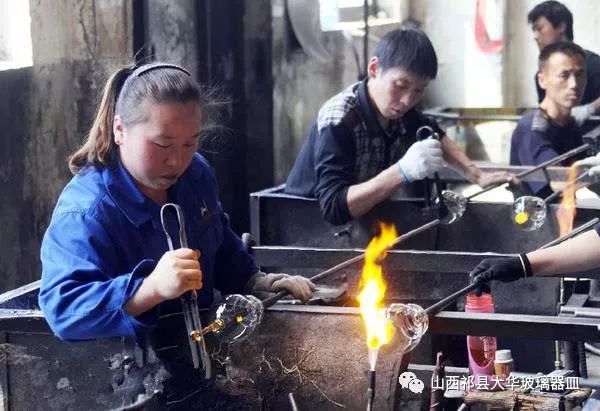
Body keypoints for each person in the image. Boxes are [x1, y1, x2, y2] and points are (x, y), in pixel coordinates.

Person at [39, 62, 315, 343]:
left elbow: (218, 243)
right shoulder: (87, 212)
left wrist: (255, 280)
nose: (177, 161)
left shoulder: (195, 174)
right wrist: (150, 289)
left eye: (189, 143)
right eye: (162, 144)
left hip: (197, 344)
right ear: (120, 130)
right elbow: (64, 310)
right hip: (125, 363)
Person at [284, 28, 514, 226]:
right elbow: (333, 207)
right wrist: (401, 172)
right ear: (374, 69)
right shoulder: (340, 119)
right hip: (307, 223)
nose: (407, 101)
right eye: (400, 85)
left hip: (361, 219)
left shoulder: (399, 112)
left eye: (418, 90)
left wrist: (477, 175)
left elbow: (432, 132)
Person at [510, 41, 587, 198]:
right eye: (564, 75)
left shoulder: (569, 124)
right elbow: (559, 182)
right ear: (542, 80)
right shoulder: (532, 128)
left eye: (579, 74)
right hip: (537, 213)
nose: (574, 84)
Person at [528, 0, 600, 125]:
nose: (535, 36)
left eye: (539, 28)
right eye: (563, 75)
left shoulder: (593, 64)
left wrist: (591, 108)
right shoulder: (543, 74)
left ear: (561, 27)